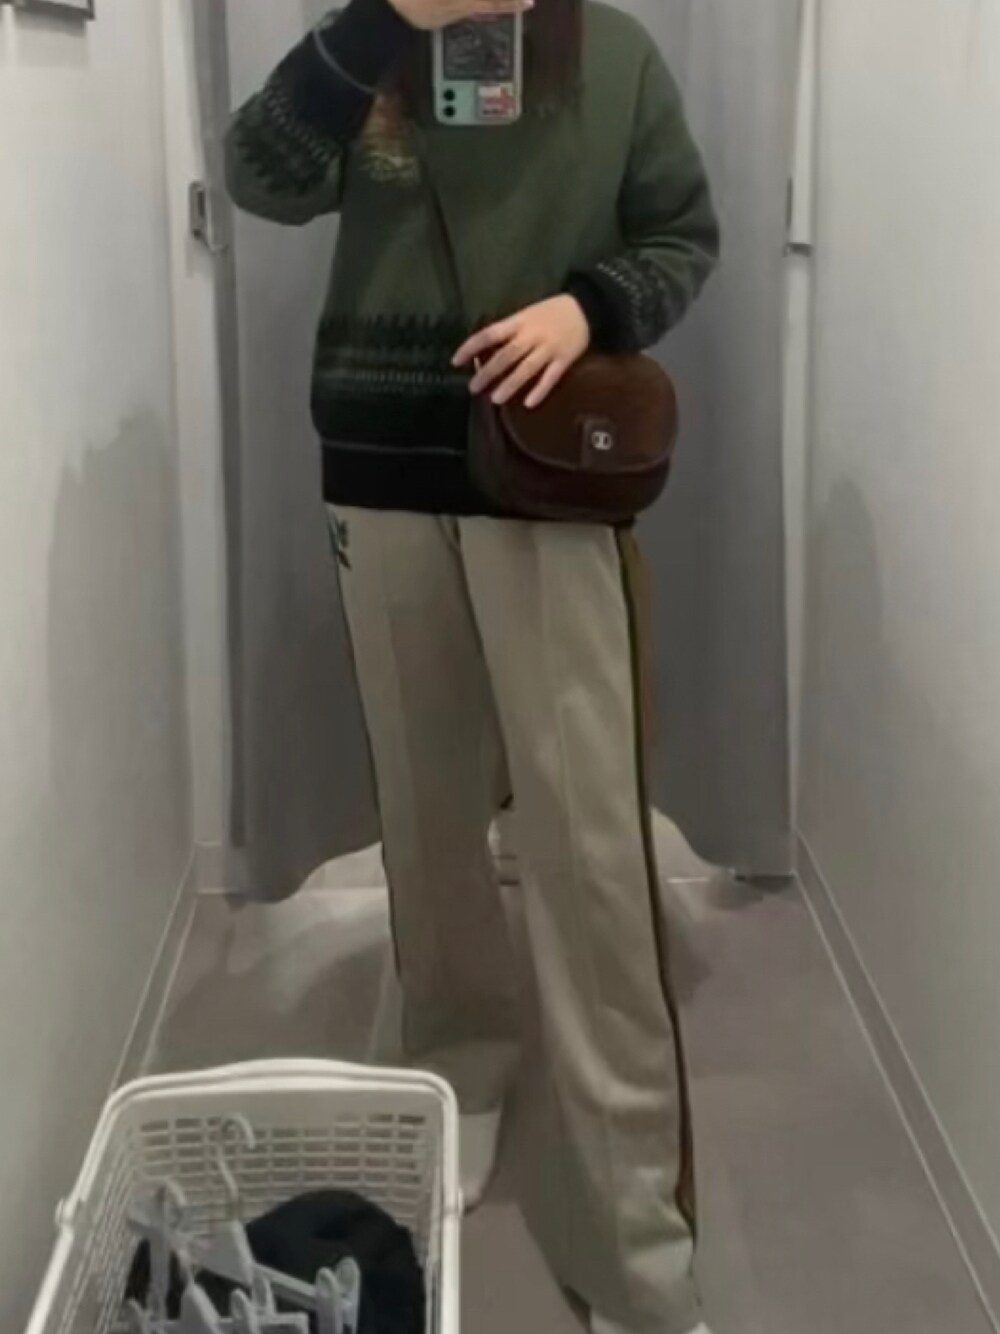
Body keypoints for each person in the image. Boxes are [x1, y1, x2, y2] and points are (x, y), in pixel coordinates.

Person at [226, 2, 720, 1331]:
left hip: (550, 483)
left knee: (591, 853)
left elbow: (681, 236)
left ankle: (633, 1241)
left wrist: (586, 307)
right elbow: (259, 175)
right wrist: (381, 20)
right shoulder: (367, 39)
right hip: (382, 481)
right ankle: (459, 1072)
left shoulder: (612, 51)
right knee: (425, 812)